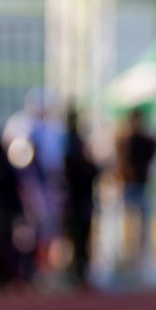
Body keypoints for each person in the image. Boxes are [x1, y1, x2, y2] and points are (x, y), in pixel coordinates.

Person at [116, 107, 156, 272]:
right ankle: (128, 256)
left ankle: (141, 257)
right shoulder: (126, 140)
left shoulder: (145, 140)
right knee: (128, 222)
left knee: (142, 223)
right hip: (129, 186)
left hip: (142, 185)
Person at [62, 107, 100, 289]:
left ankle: (79, 270)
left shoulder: (71, 142)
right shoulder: (70, 143)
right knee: (77, 236)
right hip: (76, 199)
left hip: (79, 199)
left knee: (80, 236)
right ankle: (76, 270)